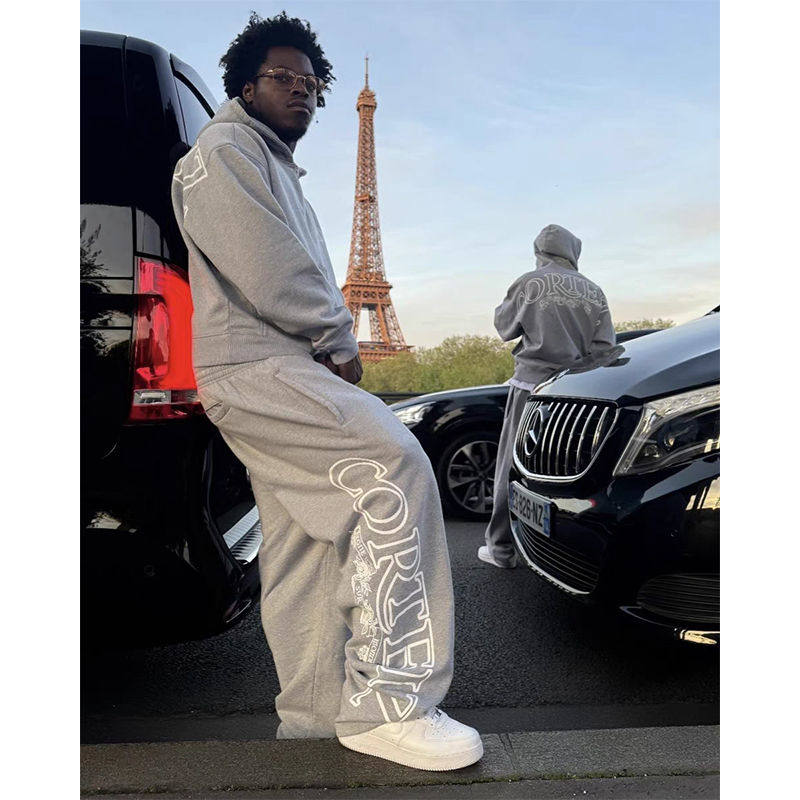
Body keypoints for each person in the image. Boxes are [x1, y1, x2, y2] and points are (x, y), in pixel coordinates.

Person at [170, 12, 482, 771]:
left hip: (266, 367)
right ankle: (390, 704)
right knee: (395, 469)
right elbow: (270, 264)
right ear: (246, 85)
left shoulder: (265, 162)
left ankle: (314, 716)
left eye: (312, 84)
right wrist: (339, 335)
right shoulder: (224, 152)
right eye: (283, 77)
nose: (301, 92)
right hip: (260, 366)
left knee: (302, 545)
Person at [479, 224, 616, 568]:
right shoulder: (594, 291)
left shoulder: (529, 283)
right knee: (566, 470)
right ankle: (565, 551)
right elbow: (605, 349)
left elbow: (504, 328)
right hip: (575, 392)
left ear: (539, 250)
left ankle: (501, 549)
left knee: (511, 466)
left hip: (530, 387)